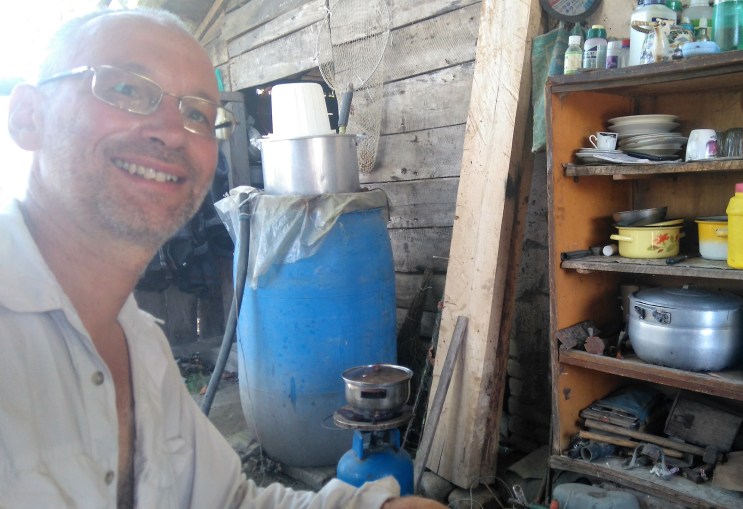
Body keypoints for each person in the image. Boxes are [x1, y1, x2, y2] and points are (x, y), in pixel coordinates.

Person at [0, 8, 446, 509]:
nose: (173, 131)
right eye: (126, 89)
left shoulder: (140, 345)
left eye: (197, 114)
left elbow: (225, 499)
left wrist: (374, 506)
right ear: (27, 116)